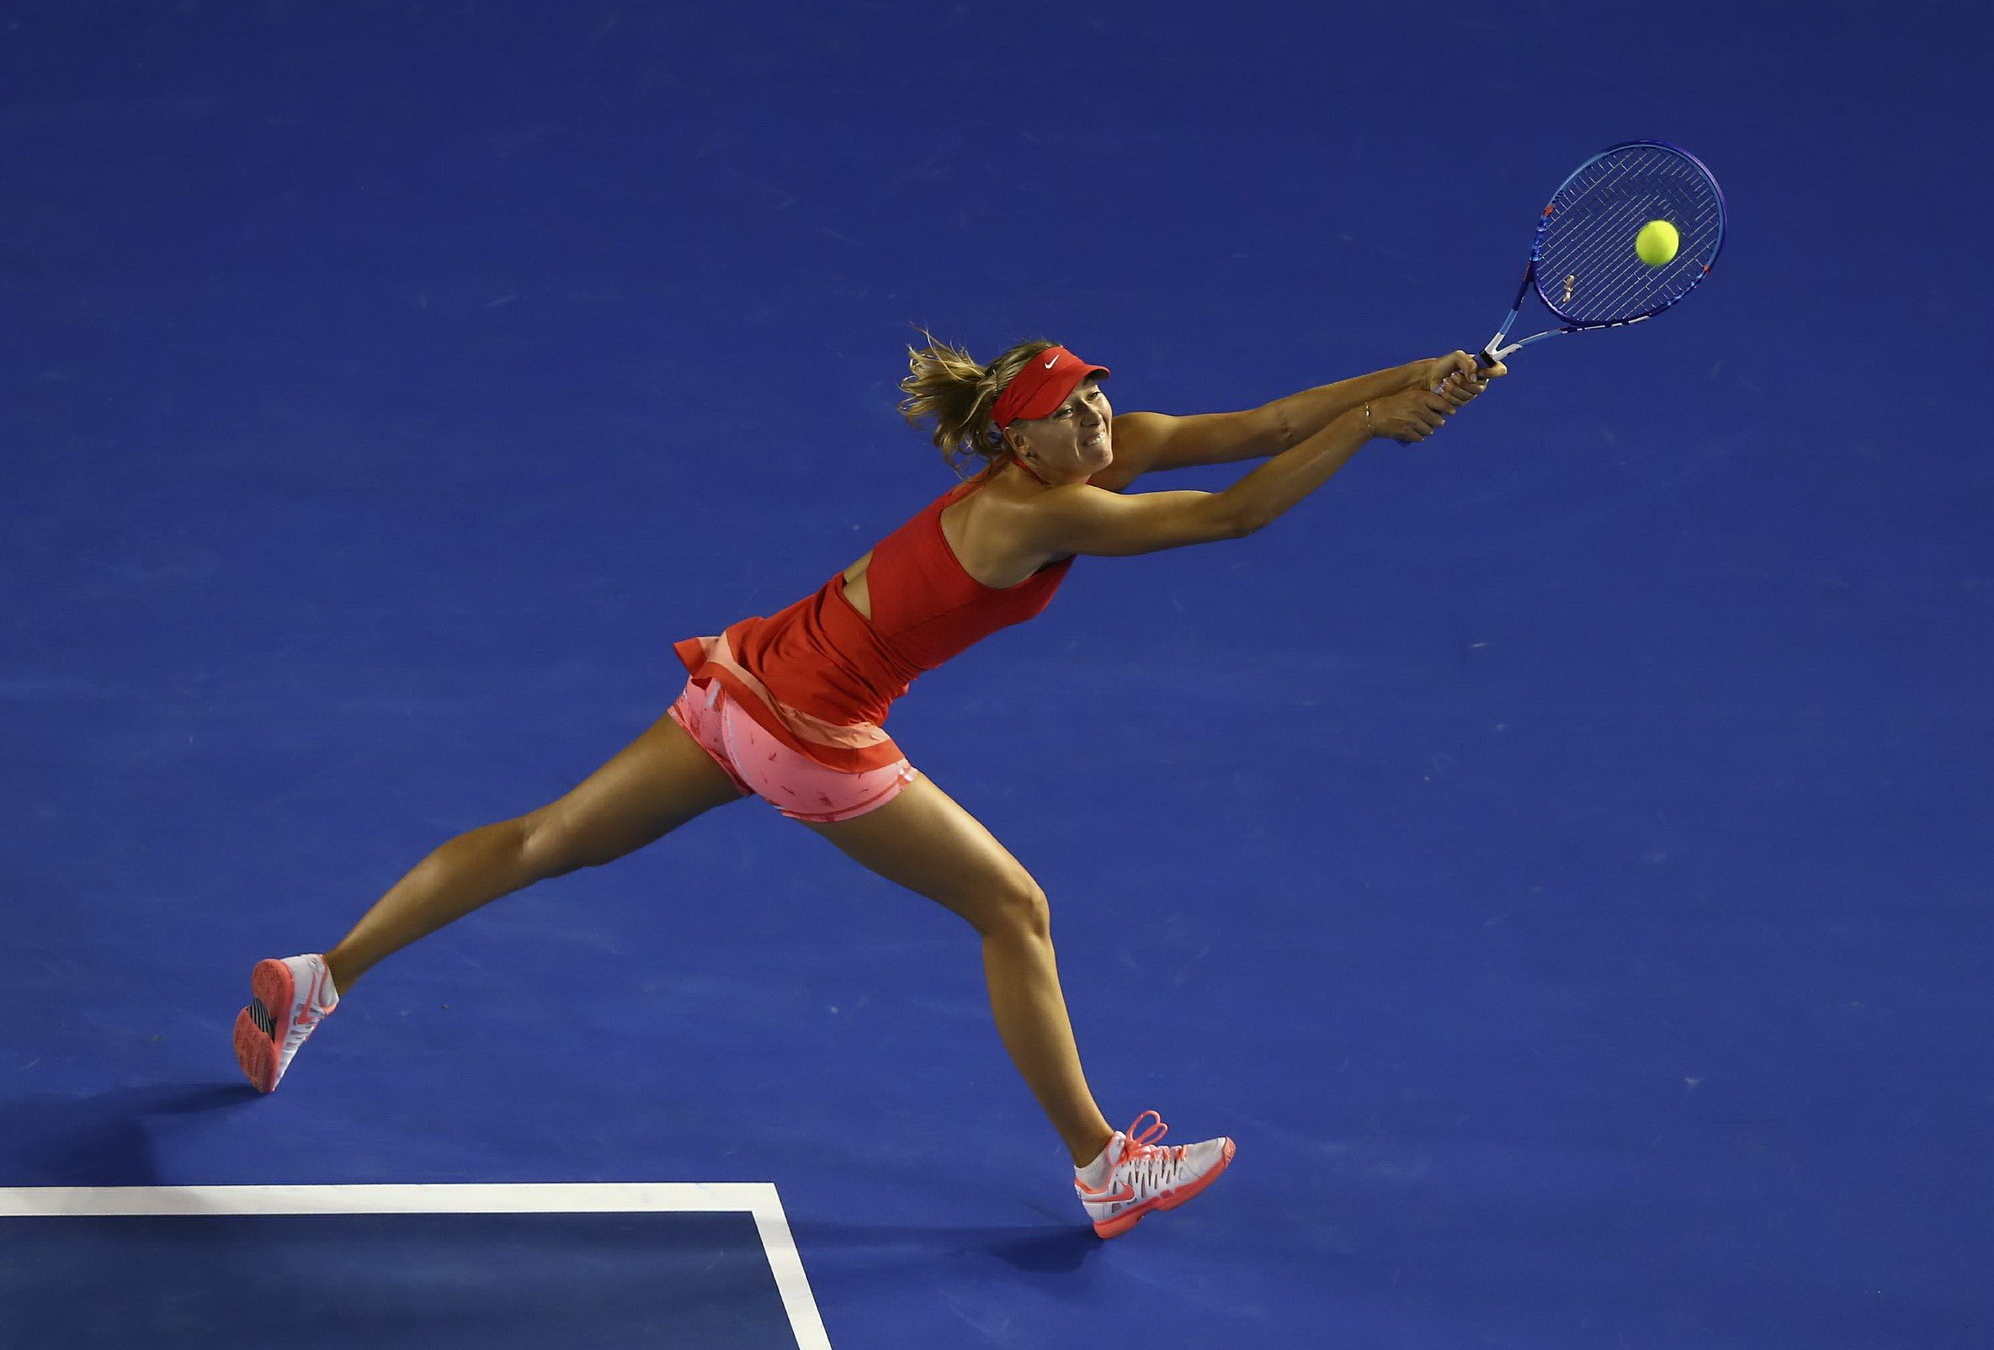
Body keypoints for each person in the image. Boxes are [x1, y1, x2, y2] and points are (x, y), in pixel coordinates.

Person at [233, 335, 1500, 1238]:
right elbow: (1234, 519)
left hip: (745, 688)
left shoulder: (1082, 461)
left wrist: (1408, 379)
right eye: (1069, 414)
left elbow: (1269, 425)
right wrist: (1373, 430)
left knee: (541, 840)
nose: (1097, 424)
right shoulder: (1038, 513)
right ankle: (1103, 1164)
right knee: (1014, 910)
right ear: (1016, 438)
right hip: (813, 734)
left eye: (1099, 402)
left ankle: (319, 976)